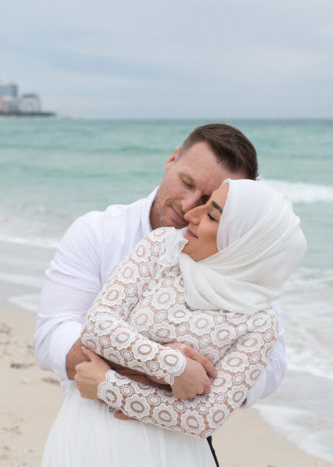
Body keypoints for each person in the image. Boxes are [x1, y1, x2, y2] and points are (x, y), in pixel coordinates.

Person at [34, 124, 287, 464]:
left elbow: (268, 369)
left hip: (178, 443)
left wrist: (122, 374)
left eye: (209, 203)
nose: (188, 207)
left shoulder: (245, 276)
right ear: (171, 160)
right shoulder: (99, 232)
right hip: (89, 430)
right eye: (186, 183)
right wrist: (168, 366)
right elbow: (54, 336)